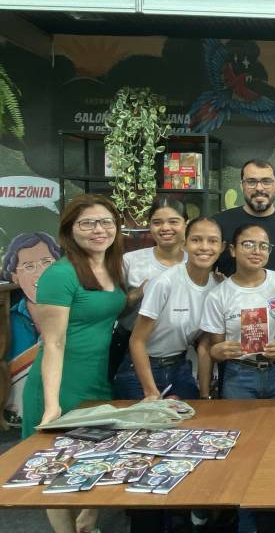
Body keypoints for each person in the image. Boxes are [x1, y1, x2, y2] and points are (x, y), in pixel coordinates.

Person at [21, 194, 127, 533]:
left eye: (106, 222)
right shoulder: (60, 274)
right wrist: (52, 405)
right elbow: (53, 343)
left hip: (96, 380)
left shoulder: (110, 266)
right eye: (88, 223)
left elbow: (107, 308)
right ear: (70, 229)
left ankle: (87, 524)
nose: (99, 230)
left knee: (95, 459)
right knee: (57, 467)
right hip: (61, 381)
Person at [201, 223, 275, 533]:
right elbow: (213, 349)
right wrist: (223, 350)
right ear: (231, 249)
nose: (256, 251)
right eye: (248, 244)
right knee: (241, 452)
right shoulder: (219, 295)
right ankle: (246, 523)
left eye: (263, 245)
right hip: (239, 377)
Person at [114, 217, 223, 401]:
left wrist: (205, 394)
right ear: (184, 244)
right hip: (141, 370)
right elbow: (137, 341)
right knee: (143, 428)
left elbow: (205, 344)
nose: (205, 247)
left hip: (179, 368)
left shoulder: (217, 288)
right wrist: (150, 391)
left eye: (213, 241)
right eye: (196, 240)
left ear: (222, 247)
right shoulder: (164, 283)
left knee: (191, 424)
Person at [109, 197, 188, 380]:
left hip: (179, 356)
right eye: (157, 222)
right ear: (150, 226)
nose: (165, 228)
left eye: (173, 221)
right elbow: (111, 311)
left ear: (186, 224)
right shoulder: (130, 261)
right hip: (129, 352)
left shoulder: (195, 263)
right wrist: (135, 295)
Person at [1, 232, 61, 424]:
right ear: (14, 277)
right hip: (14, 425)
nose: (40, 272)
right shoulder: (7, 321)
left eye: (47, 262)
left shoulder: (79, 316)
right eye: (29, 266)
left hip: (66, 411)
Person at [214, 160, 275, 278]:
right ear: (242, 186)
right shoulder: (219, 223)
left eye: (266, 181)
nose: (259, 188)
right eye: (251, 182)